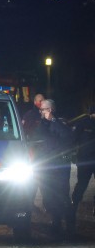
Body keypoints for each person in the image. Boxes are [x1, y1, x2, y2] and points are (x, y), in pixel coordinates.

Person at [32, 99, 74, 235]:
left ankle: (68, 225)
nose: (41, 112)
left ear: (49, 110)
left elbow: (67, 136)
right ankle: (55, 222)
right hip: (46, 166)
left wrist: (53, 121)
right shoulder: (42, 124)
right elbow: (37, 137)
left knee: (62, 196)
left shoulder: (60, 123)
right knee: (48, 196)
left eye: (43, 109)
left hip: (60, 167)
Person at [71, 106, 95, 218]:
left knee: (81, 183)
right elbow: (73, 139)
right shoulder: (83, 123)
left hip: (86, 159)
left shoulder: (83, 122)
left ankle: (74, 204)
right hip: (85, 160)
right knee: (81, 184)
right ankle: (73, 205)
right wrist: (74, 154)